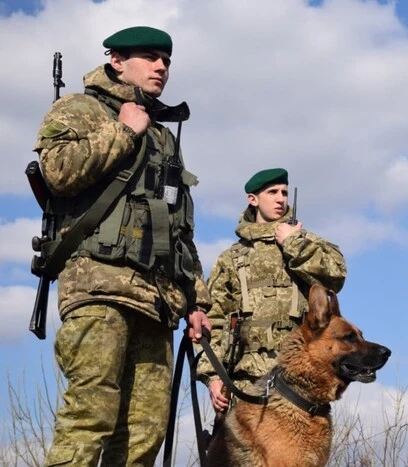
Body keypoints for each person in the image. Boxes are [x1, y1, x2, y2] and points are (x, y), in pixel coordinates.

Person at [33, 26, 212, 466]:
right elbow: (57, 171)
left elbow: (179, 228)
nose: (161, 67)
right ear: (116, 60)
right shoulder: (81, 107)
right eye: (150, 57)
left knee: (144, 432)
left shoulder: (165, 137)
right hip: (99, 286)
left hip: (157, 302)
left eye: (166, 61)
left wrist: (196, 301)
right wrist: (124, 133)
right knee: (91, 414)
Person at [197, 168, 347, 413]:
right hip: (244, 380)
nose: (280, 198)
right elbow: (211, 320)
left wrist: (293, 243)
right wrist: (212, 377)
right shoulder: (231, 258)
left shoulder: (306, 243)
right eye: (272, 192)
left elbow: (335, 277)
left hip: (300, 379)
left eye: (284, 192)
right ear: (253, 199)